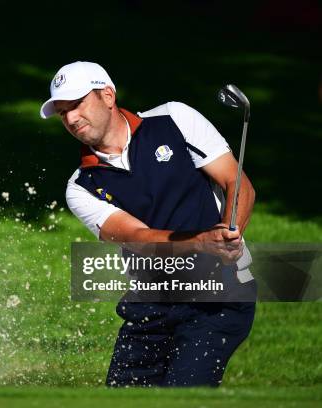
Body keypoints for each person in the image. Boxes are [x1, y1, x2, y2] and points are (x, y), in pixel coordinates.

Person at [40, 61, 257, 387]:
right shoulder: (82, 186)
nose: (70, 118)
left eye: (77, 104)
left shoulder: (175, 119)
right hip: (151, 305)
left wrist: (229, 235)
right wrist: (200, 243)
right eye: (62, 112)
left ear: (108, 96)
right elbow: (139, 238)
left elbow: (236, 183)